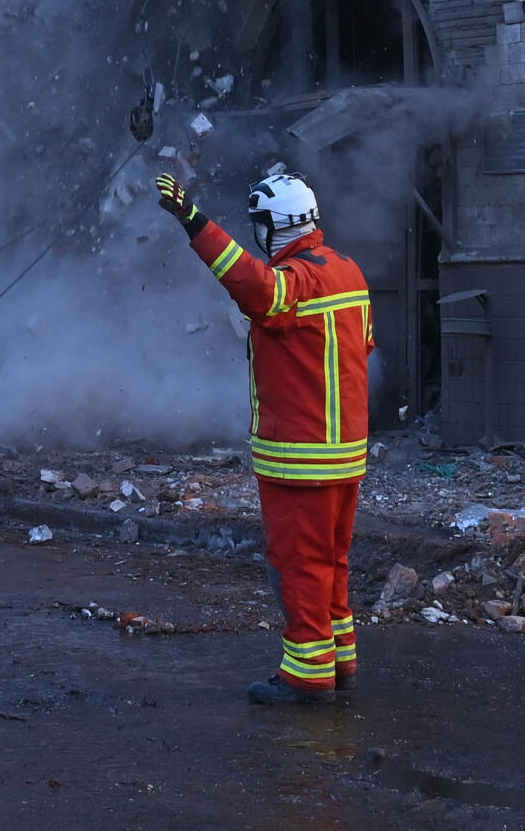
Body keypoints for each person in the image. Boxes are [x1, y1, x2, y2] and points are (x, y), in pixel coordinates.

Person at [158, 168, 372, 704]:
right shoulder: (349, 271)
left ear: (277, 225)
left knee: (298, 564)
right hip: (345, 455)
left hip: (301, 457)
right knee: (332, 561)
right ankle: (340, 661)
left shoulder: (298, 280)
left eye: (260, 225)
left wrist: (194, 221)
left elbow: (253, 284)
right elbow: (362, 348)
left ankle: (306, 675)